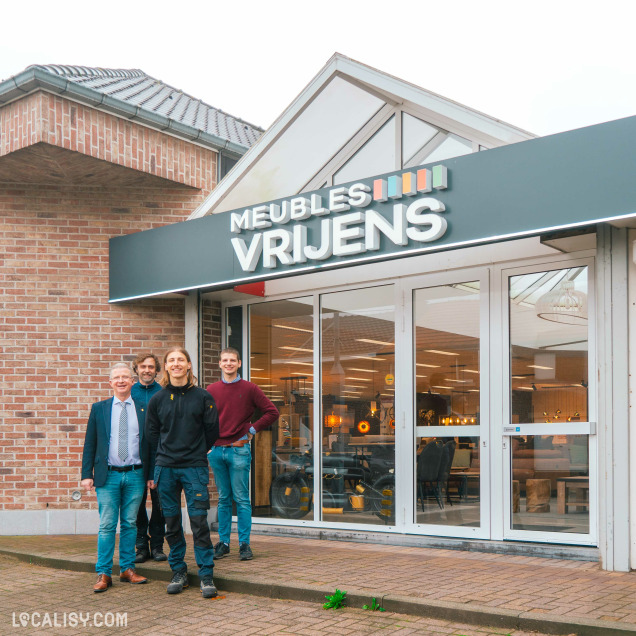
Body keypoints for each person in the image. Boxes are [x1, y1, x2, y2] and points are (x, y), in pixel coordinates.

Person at [146, 347, 219, 598]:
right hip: (165, 469)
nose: (176, 364)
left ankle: (206, 574)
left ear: (189, 365)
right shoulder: (157, 399)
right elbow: (152, 435)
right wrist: (158, 464)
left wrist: (197, 451)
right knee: (172, 522)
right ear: (165, 367)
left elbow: (212, 432)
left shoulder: (203, 397)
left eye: (181, 360)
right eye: (171, 361)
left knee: (199, 522)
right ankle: (178, 571)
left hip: (194, 468)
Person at [81, 363, 149, 593]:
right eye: (116, 378)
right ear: (110, 383)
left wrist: (150, 474)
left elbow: (150, 444)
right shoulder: (99, 408)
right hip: (107, 476)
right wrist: (86, 475)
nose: (121, 381)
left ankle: (127, 569)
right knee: (107, 525)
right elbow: (90, 442)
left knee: (130, 523)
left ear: (132, 382)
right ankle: (104, 573)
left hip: (136, 475)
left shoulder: (143, 408)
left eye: (125, 377)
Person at [207, 347, 279, 561]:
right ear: (219, 364)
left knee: (242, 499)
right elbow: (203, 419)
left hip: (239, 450)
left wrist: (252, 430)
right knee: (223, 499)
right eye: (224, 360)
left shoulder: (250, 388)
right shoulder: (211, 390)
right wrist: (207, 445)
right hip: (216, 451)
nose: (228, 363)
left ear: (239, 364)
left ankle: (245, 544)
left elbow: (272, 411)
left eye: (232, 360)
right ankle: (224, 543)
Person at [131, 353, 167, 563]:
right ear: (136, 370)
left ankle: (157, 546)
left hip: (160, 457)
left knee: (160, 505)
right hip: (135, 458)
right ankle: (141, 546)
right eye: (143, 366)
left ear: (157, 370)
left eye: (151, 367)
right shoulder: (130, 392)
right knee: (137, 505)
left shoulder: (162, 393)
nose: (147, 370)